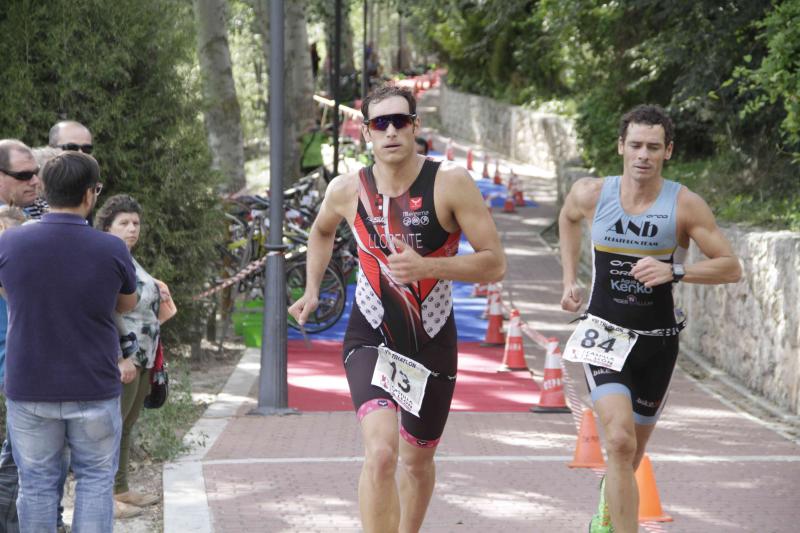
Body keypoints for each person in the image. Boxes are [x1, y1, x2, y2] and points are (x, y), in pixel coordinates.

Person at [289, 85, 506, 532]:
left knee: (418, 461)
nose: (390, 131)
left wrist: (428, 265)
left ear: (415, 127)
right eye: (379, 123)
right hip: (371, 335)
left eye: (399, 121)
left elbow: (494, 263)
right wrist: (313, 289)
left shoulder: (450, 182)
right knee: (382, 452)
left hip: (432, 340)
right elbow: (321, 232)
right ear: (365, 132)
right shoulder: (347, 189)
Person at [558, 104, 742, 533]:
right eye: (636, 145)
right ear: (621, 146)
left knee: (631, 455)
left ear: (668, 151)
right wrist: (569, 279)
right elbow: (567, 218)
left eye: (653, 147)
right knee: (618, 442)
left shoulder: (684, 204)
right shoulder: (592, 193)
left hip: (657, 343)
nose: (643, 154)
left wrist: (675, 270)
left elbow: (731, 267)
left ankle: (608, 510)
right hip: (603, 334)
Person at [0, 151, 137, 532]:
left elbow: (6, 290)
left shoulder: (10, 244)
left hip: (30, 386)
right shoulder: (111, 248)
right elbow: (127, 303)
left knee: (37, 485)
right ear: (91, 195)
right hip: (93, 382)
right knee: (95, 481)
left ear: (43, 188)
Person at [95, 194, 177, 519]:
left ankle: (121, 487)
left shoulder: (130, 259)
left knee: (127, 424)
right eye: (124, 223)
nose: (132, 229)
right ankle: (106, 498)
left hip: (144, 356)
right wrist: (119, 357)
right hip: (122, 358)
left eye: (136, 223)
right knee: (110, 426)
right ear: (107, 227)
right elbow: (104, 311)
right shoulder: (106, 259)